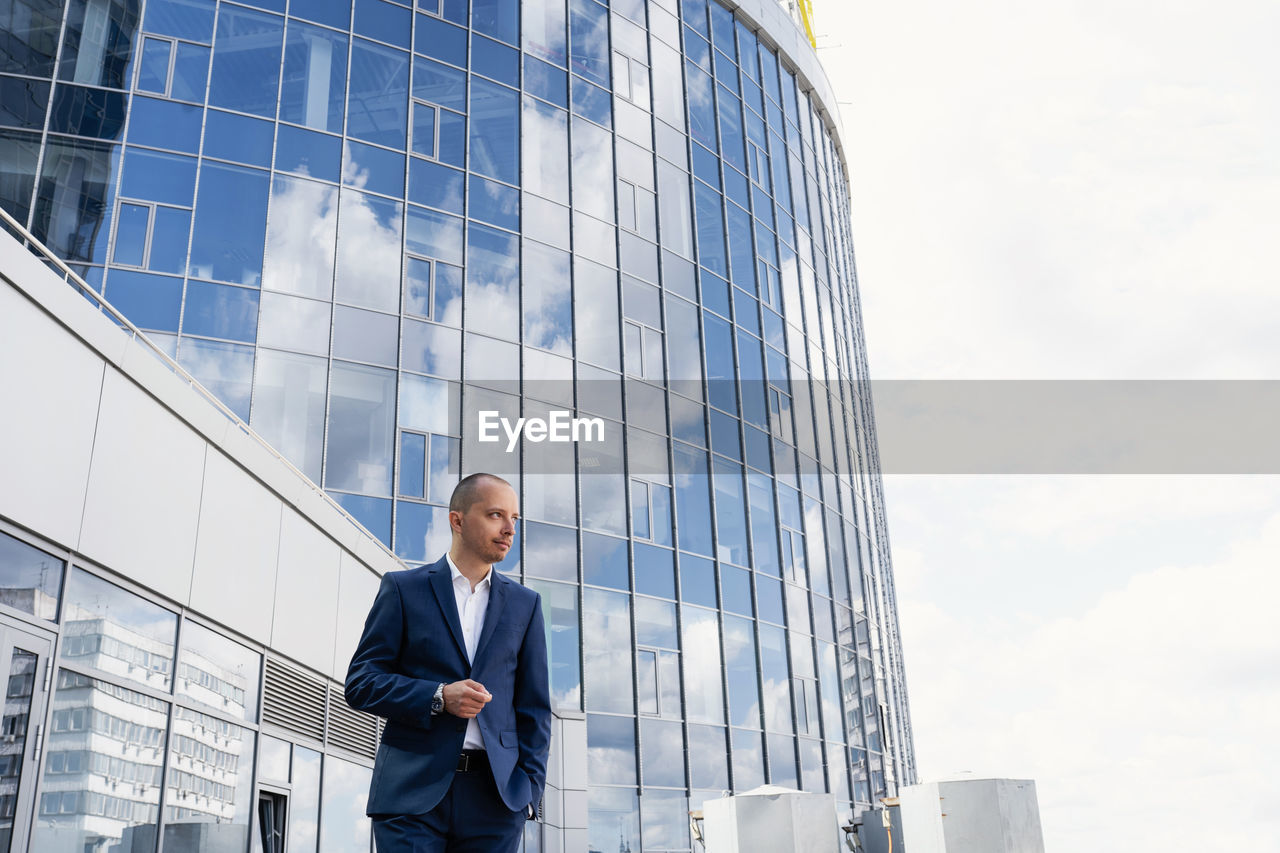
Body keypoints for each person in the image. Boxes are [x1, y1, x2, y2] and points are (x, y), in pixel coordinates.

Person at [345, 472, 551, 852]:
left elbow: (535, 708)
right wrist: (438, 696)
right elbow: (361, 682)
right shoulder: (403, 589)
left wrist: (528, 789)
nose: (509, 529)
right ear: (457, 520)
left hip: (496, 799)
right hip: (411, 795)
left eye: (514, 519)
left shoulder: (526, 604)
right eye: (495, 515)